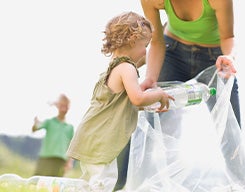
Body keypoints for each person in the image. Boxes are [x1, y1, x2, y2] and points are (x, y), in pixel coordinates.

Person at [66, 11, 173, 192]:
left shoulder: (115, 67)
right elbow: (138, 99)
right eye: (145, 45)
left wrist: (149, 103)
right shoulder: (127, 68)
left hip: (93, 138)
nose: (146, 51)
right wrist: (159, 94)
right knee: (103, 185)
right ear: (132, 40)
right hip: (102, 141)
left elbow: (125, 105)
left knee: (92, 185)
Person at [140, 0, 241, 127]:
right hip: (173, 52)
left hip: (215, 59)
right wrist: (150, 78)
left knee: (231, 128)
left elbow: (227, 37)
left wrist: (229, 57)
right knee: (151, 120)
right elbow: (156, 42)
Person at [32, 93, 74, 177]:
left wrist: (69, 163)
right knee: (37, 182)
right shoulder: (49, 122)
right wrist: (35, 123)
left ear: (68, 107)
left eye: (66, 106)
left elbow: (71, 146)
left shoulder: (70, 127)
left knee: (55, 186)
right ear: (58, 106)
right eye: (61, 105)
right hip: (45, 158)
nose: (63, 109)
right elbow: (35, 129)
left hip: (60, 160)